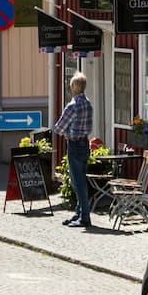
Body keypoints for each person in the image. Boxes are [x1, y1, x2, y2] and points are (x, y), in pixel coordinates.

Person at [51, 72, 94, 230]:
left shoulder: (72, 105)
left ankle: (85, 218)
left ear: (74, 87)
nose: (70, 88)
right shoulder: (88, 103)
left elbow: (59, 127)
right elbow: (89, 126)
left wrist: (63, 130)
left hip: (74, 145)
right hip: (85, 144)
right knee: (80, 180)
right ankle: (78, 213)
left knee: (78, 182)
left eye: (71, 85)